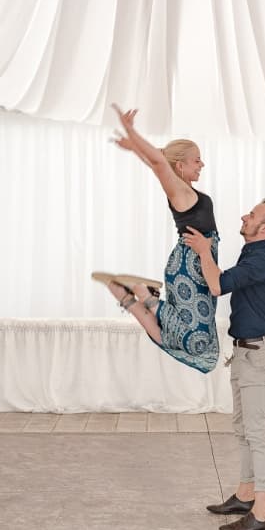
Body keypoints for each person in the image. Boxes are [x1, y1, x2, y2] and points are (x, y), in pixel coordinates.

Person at [182, 199, 265, 530]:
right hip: (245, 352)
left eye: (252, 215)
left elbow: (218, 285)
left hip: (257, 354)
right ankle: (245, 496)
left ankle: (263, 514)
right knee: (243, 429)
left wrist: (203, 250)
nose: (244, 215)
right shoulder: (252, 255)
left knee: (257, 434)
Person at [94, 104, 221, 373]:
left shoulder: (183, 189)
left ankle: (130, 297)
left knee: (171, 337)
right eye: (197, 160)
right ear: (181, 165)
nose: (202, 164)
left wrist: (136, 147)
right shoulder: (181, 193)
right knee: (197, 341)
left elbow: (158, 163)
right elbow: (159, 162)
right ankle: (143, 294)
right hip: (190, 266)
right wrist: (132, 131)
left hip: (193, 265)